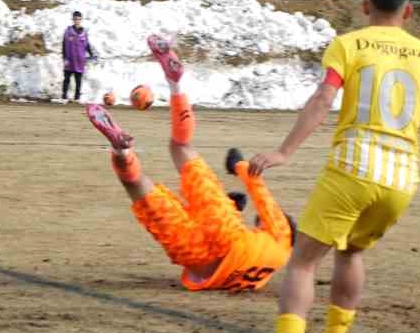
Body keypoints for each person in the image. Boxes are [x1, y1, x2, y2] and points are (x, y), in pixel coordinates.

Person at [244, 0, 420, 333]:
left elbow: (324, 99)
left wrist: (285, 151)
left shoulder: (349, 44)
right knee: (352, 252)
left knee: (303, 260)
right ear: (408, 11)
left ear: (365, 6)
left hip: (354, 165)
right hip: (399, 177)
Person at [86, 36, 292, 293]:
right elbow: (238, 259)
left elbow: (262, 195)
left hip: (226, 228)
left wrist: (238, 165)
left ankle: (175, 85)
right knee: (137, 186)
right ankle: (122, 150)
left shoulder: (281, 239)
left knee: (181, 147)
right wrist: (234, 209)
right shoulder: (269, 269)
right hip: (201, 260)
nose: (260, 220)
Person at [61, 10, 96, 103]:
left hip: (80, 59)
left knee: (78, 79)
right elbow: (64, 44)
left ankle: (77, 97)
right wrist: (64, 56)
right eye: (75, 19)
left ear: (81, 20)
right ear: (73, 19)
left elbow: (87, 44)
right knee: (67, 78)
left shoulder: (84, 32)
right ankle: (64, 96)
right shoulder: (68, 31)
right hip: (70, 59)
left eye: (78, 19)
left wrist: (91, 53)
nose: (77, 21)